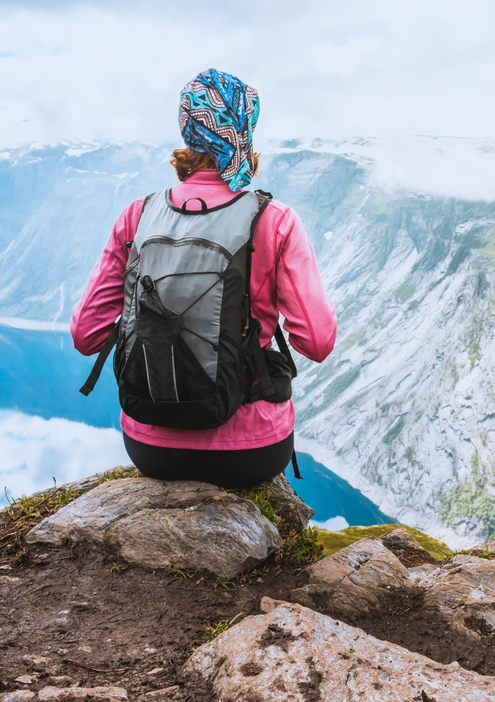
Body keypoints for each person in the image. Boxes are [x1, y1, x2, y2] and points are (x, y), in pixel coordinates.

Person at [69, 69, 337, 488]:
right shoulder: (274, 220)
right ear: (245, 131)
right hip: (250, 452)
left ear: (188, 130)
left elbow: (86, 336)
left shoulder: (137, 216)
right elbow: (317, 343)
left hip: (150, 446)